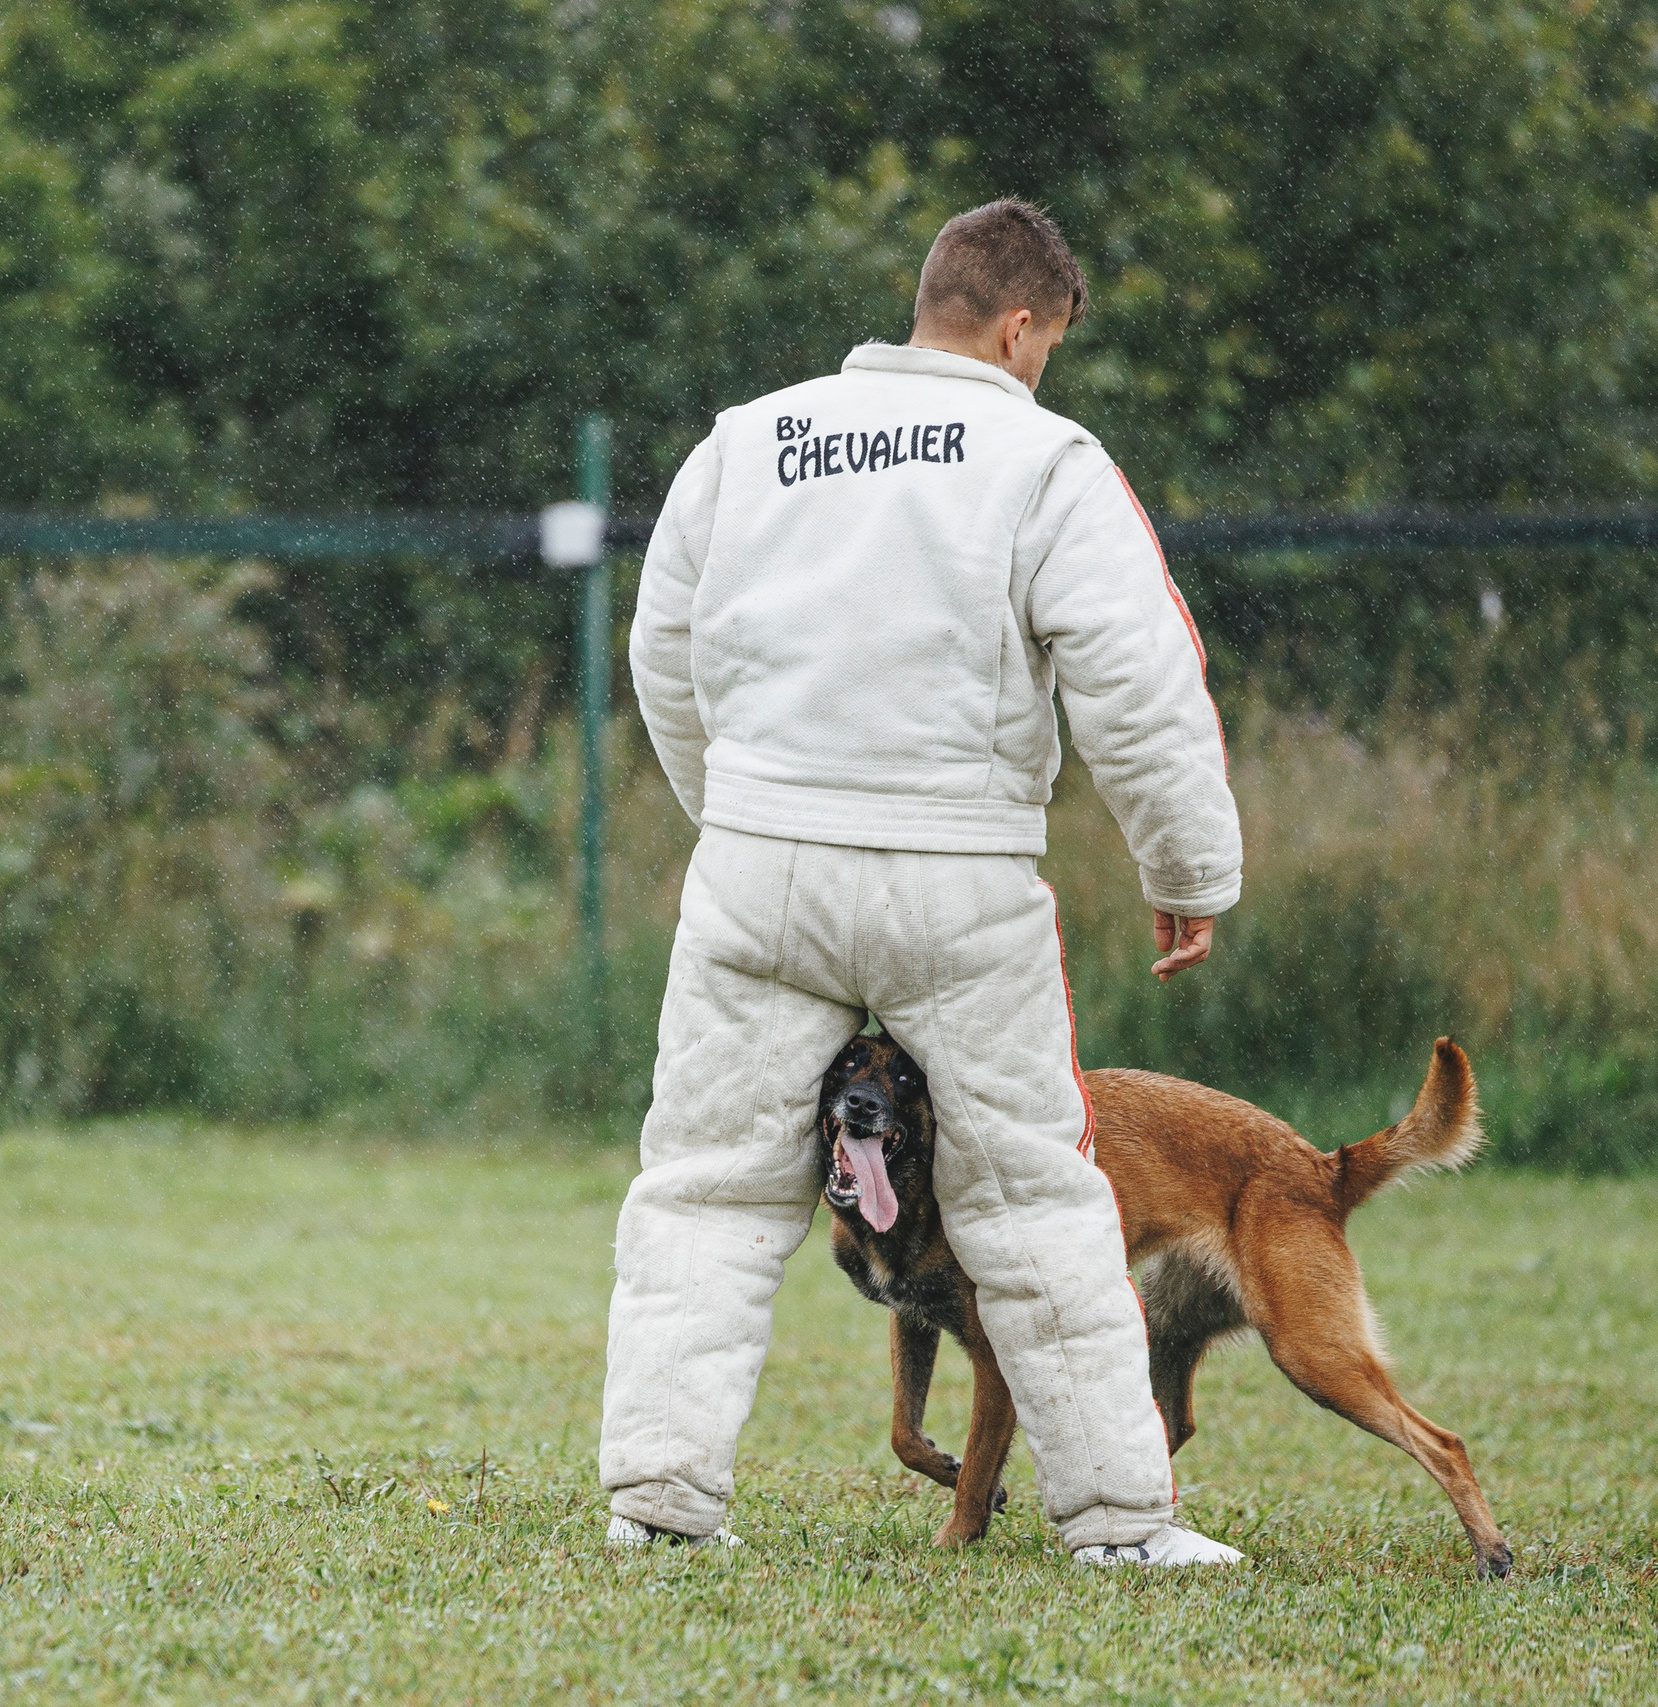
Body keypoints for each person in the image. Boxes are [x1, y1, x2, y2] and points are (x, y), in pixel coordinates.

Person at [600, 200, 1243, 1565]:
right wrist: (1186, 866)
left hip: (763, 862)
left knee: (706, 1189)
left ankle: (659, 1504)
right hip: (961, 881)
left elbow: (665, 652)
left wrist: (740, 814)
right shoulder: (1046, 458)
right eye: (1050, 343)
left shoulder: (748, 442)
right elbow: (1139, 676)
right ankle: (1124, 1525)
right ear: (1022, 327)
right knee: (1035, 1198)